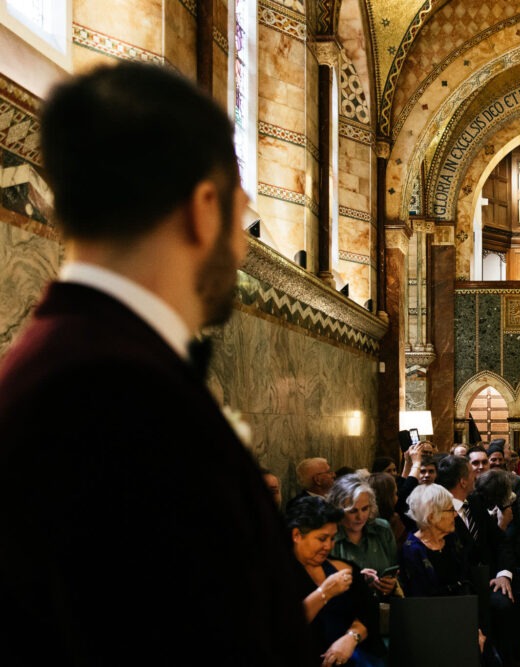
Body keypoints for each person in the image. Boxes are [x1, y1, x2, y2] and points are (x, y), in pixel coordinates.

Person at [0, 62, 310, 664]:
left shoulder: (69, 358)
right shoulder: (119, 398)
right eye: (242, 212)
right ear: (203, 208)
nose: (243, 243)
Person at [437, 455, 520, 665]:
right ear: (462, 481)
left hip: (492, 571)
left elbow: (500, 541)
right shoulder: (441, 510)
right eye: (471, 474)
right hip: (468, 580)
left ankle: (515, 647)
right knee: (504, 603)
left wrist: (503, 574)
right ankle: (503, 656)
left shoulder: (475, 501)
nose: (475, 478)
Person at [287, 498, 385, 667]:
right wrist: (324, 593)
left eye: (332, 539)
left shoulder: (342, 567)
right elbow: (283, 626)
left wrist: (351, 638)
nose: (328, 546)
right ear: (297, 535)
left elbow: (369, 611)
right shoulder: (277, 574)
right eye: (322, 538)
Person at [328, 474, 400, 599]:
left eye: (365, 509)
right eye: (352, 511)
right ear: (337, 509)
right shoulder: (329, 537)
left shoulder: (382, 529)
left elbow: (395, 568)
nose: (360, 517)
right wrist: (356, 579)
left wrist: (392, 584)